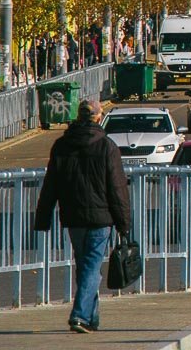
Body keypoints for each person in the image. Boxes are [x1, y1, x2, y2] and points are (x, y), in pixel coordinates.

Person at [33, 99, 131, 333]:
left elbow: (50, 185)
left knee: (86, 266)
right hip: (101, 218)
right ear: (98, 117)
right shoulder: (107, 146)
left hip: (73, 217)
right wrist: (124, 223)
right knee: (91, 267)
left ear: (79, 116)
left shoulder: (61, 145)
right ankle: (79, 315)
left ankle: (91, 319)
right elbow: (117, 188)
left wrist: (43, 217)